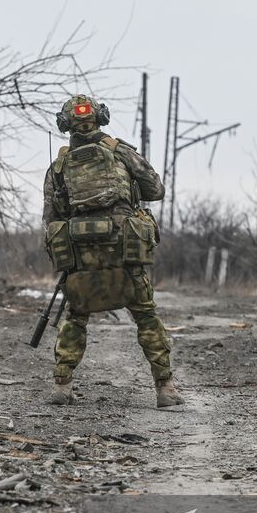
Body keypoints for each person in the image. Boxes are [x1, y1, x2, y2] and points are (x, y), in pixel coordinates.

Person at [41, 94, 183, 408]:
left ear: (66, 126)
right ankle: (166, 389)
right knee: (146, 316)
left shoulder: (59, 167)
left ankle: (62, 387)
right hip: (125, 250)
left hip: (82, 254)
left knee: (76, 317)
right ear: (100, 118)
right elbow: (156, 191)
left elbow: (51, 219)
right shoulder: (121, 152)